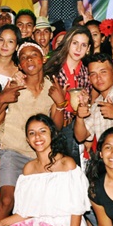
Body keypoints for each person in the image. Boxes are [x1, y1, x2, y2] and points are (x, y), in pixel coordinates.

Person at [0, 42, 66, 220]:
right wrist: (2, 99)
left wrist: (60, 104)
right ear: (20, 65)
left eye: (34, 55)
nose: (29, 60)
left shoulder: (52, 87)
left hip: (40, 155)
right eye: (23, 57)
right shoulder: (15, 85)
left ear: (43, 59)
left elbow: (56, 128)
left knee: (38, 205)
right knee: (7, 200)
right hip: (12, 151)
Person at [44, 26, 92, 160]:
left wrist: (86, 103)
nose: (78, 49)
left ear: (88, 49)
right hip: (52, 126)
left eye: (83, 45)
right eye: (75, 43)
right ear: (67, 43)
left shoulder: (87, 72)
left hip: (77, 127)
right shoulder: (52, 69)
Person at [0, 24, 21, 88]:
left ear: (17, 46)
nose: (4, 45)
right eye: (1, 40)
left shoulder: (19, 71)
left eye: (10, 41)